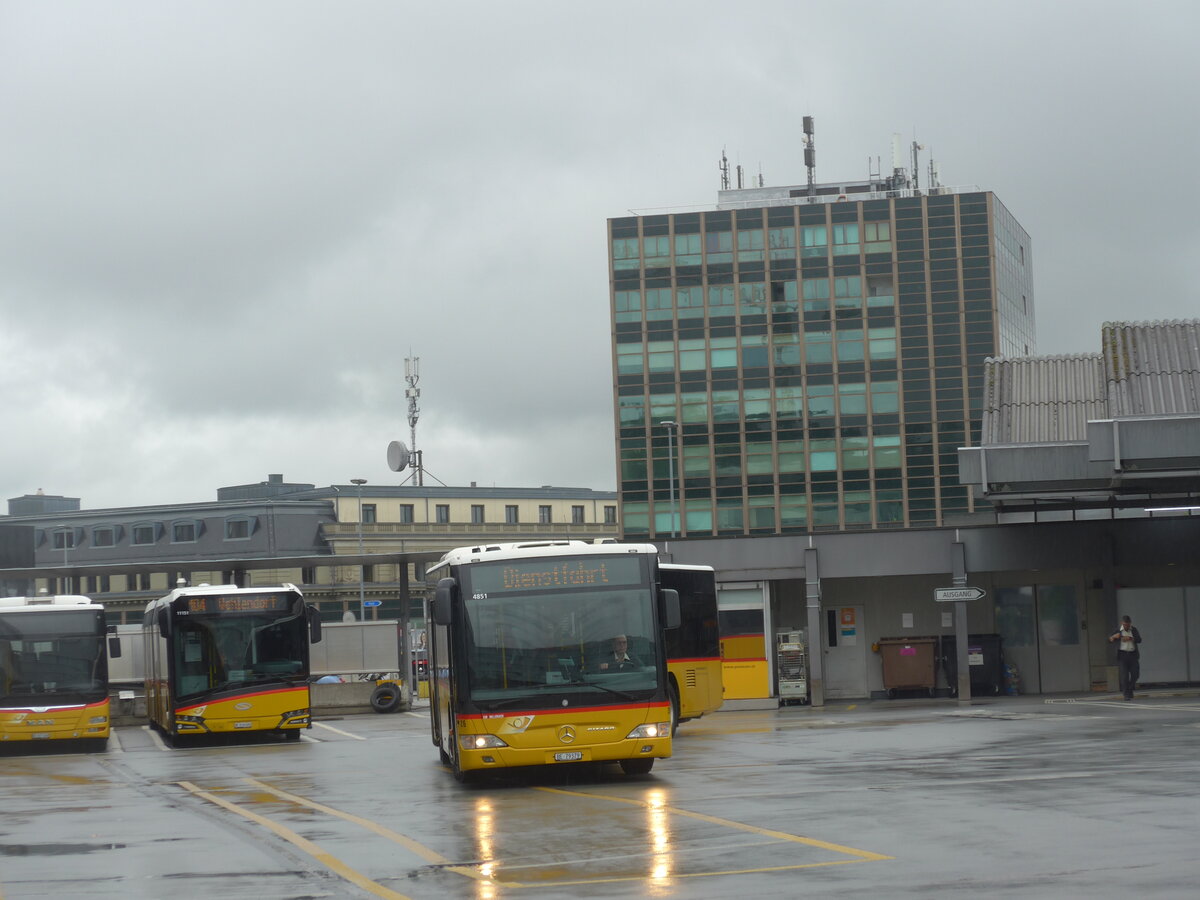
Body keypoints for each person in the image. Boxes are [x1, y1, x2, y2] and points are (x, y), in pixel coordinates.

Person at [1107, 615, 1142, 700]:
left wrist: (1130, 638)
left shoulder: (1133, 630)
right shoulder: (1118, 630)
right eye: (1125, 625)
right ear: (1122, 623)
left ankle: (1130, 689)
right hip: (1122, 655)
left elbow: (1139, 640)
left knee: (1135, 674)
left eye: (1128, 625)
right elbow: (1109, 640)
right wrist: (1114, 637)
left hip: (1132, 654)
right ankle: (1126, 694)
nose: (1127, 626)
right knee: (1124, 676)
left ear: (1130, 623)